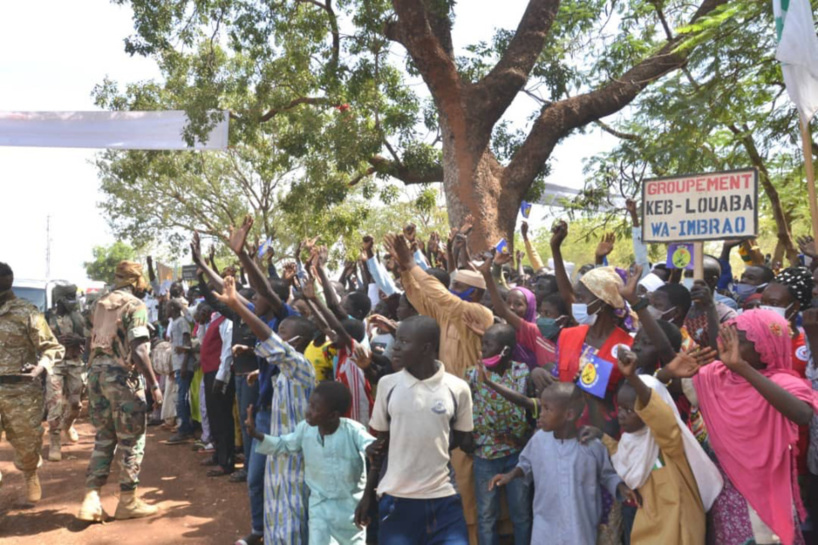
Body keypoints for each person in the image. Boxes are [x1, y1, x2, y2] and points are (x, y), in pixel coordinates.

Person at [661, 309, 818, 544]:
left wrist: (743, 368)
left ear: (767, 346)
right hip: (727, 487)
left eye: (739, 341)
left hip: (765, 488)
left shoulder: (783, 381)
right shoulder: (716, 374)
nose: (728, 346)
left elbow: (802, 414)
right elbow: (664, 390)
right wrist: (667, 372)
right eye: (727, 337)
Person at [213, 275, 318, 545]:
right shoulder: (284, 371)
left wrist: (237, 305)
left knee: (294, 512)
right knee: (274, 503)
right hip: (277, 449)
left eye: (282, 333)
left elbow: (268, 337)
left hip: (296, 457)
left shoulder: (302, 367)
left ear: (295, 342)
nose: (275, 336)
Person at [356, 315, 474, 545]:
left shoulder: (457, 388)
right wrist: (367, 495)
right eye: (396, 340)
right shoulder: (388, 385)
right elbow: (381, 446)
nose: (395, 346)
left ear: (426, 348)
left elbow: (462, 438)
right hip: (398, 499)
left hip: (443, 499)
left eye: (404, 341)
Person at [585, 348, 722, 545]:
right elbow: (622, 454)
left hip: (677, 528)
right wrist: (601, 436)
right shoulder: (632, 440)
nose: (622, 415)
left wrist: (633, 378)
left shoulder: (669, 442)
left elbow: (658, 413)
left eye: (631, 410)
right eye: (620, 408)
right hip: (648, 526)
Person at [488, 382, 629, 545]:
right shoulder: (539, 440)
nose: (541, 415)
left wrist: (621, 488)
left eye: (547, 409)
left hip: (580, 528)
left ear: (568, 415)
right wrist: (510, 475)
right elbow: (526, 464)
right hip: (545, 528)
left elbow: (607, 475)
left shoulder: (592, 446)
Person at [78, 260, 163, 522]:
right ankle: (127, 500)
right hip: (122, 379)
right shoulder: (134, 305)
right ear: (137, 281)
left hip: (96, 377)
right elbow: (139, 348)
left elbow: (87, 340)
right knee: (132, 439)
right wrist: (154, 385)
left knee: (105, 435)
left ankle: (91, 497)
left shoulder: (98, 303)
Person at [248, 381, 375, 545]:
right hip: (319, 508)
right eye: (310, 405)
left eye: (315, 409)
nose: (308, 412)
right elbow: (284, 444)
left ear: (333, 415)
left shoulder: (353, 431)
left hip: (350, 511)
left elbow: (370, 445)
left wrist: (372, 449)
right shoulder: (305, 429)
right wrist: (257, 434)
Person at [0, 262, 64, 503]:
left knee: (27, 444)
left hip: (21, 391)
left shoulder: (27, 312)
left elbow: (53, 347)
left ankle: (30, 474)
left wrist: (40, 367)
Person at [466, 324, 533, 545]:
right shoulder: (473, 374)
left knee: (521, 514)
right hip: (485, 454)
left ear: (505, 350)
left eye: (488, 344)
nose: (482, 349)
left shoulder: (521, 372)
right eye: (482, 343)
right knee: (486, 516)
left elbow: (528, 408)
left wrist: (522, 439)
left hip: (516, 453)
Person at [45, 282, 88, 462]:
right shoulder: (47, 317)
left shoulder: (78, 317)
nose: (73, 301)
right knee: (54, 404)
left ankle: (67, 425)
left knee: (76, 405)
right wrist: (55, 340)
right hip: (54, 364)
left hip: (74, 363)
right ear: (59, 300)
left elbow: (88, 339)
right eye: (69, 298)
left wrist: (76, 339)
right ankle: (55, 443)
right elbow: (39, 339)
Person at [166, 299, 195, 444]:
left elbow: (187, 345)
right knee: (180, 398)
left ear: (173, 308)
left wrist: (184, 365)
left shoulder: (182, 322)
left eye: (167, 308)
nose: (165, 310)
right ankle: (185, 427)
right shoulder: (175, 323)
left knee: (181, 398)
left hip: (184, 366)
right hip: (178, 365)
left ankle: (184, 430)